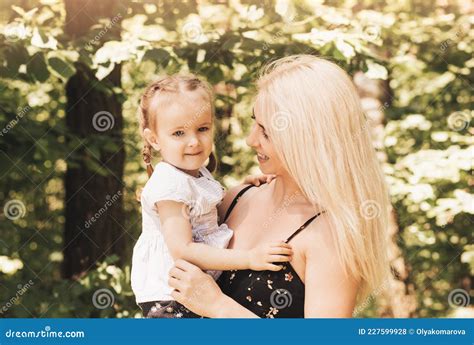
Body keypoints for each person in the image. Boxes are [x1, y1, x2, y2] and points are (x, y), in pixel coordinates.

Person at [168, 55, 391, 318]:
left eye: (266, 131)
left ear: (307, 138)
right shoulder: (235, 198)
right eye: (254, 122)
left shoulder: (331, 235)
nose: (251, 140)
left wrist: (219, 307)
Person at [131, 75, 292, 318]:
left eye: (202, 128)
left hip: (190, 293)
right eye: (178, 133)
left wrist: (243, 186)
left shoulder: (193, 173)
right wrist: (250, 258)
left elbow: (203, 214)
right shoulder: (168, 186)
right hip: (171, 298)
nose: (194, 141)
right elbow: (183, 250)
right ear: (154, 139)